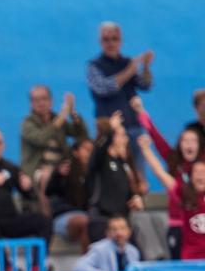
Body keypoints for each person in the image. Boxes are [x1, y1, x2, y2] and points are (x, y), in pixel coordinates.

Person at [87, 111, 166, 260]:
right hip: (102, 219)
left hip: (122, 220)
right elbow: (98, 151)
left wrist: (135, 198)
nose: (126, 139)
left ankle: (157, 260)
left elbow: (126, 192)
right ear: (112, 138)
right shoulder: (101, 160)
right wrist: (110, 129)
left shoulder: (124, 163)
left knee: (153, 220)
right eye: (121, 135)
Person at [132, 96, 201, 259]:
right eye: (185, 141)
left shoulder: (202, 167)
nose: (189, 144)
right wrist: (141, 112)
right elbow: (156, 138)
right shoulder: (174, 162)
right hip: (178, 226)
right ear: (180, 144)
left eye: (193, 141)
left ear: (199, 146)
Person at [137, 135, 205, 260]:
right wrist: (146, 150)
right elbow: (160, 173)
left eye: (203, 172)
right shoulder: (184, 193)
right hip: (190, 260)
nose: (200, 175)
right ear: (191, 177)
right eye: (197, 172)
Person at [86, 22, 152, 140]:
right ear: (100, 42)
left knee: (136, 159)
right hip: (109, 130)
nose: (110, 43)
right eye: (106, 40)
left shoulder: (127, 62)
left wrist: (146, 67)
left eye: (114, 39)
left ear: (121, 41)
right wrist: (130, 70)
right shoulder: (94, 66)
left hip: (134, 127)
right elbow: (104, 89)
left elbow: (145, 85)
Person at [40, 138, 104, 252]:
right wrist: (57, 175)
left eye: (92, 150)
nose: (90, 153)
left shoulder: (95, 175)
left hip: (88, 215)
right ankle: (88, 262)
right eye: (86, 150)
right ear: (75, 152)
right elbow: (48, 192)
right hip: (64, 217)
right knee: (87, 223)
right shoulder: (66, 170)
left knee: (102, 223)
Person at [20, 85, 87, 180]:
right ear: (31, 104)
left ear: (51, 101)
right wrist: (62, 115)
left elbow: (81, 135)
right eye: (36, 100)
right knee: (44, 176)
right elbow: (40, 139)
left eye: (44, 98)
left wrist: (73, 113)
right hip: (37, 174)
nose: (41, 103)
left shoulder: (57, 119)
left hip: (61, 171)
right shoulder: (27, 123)